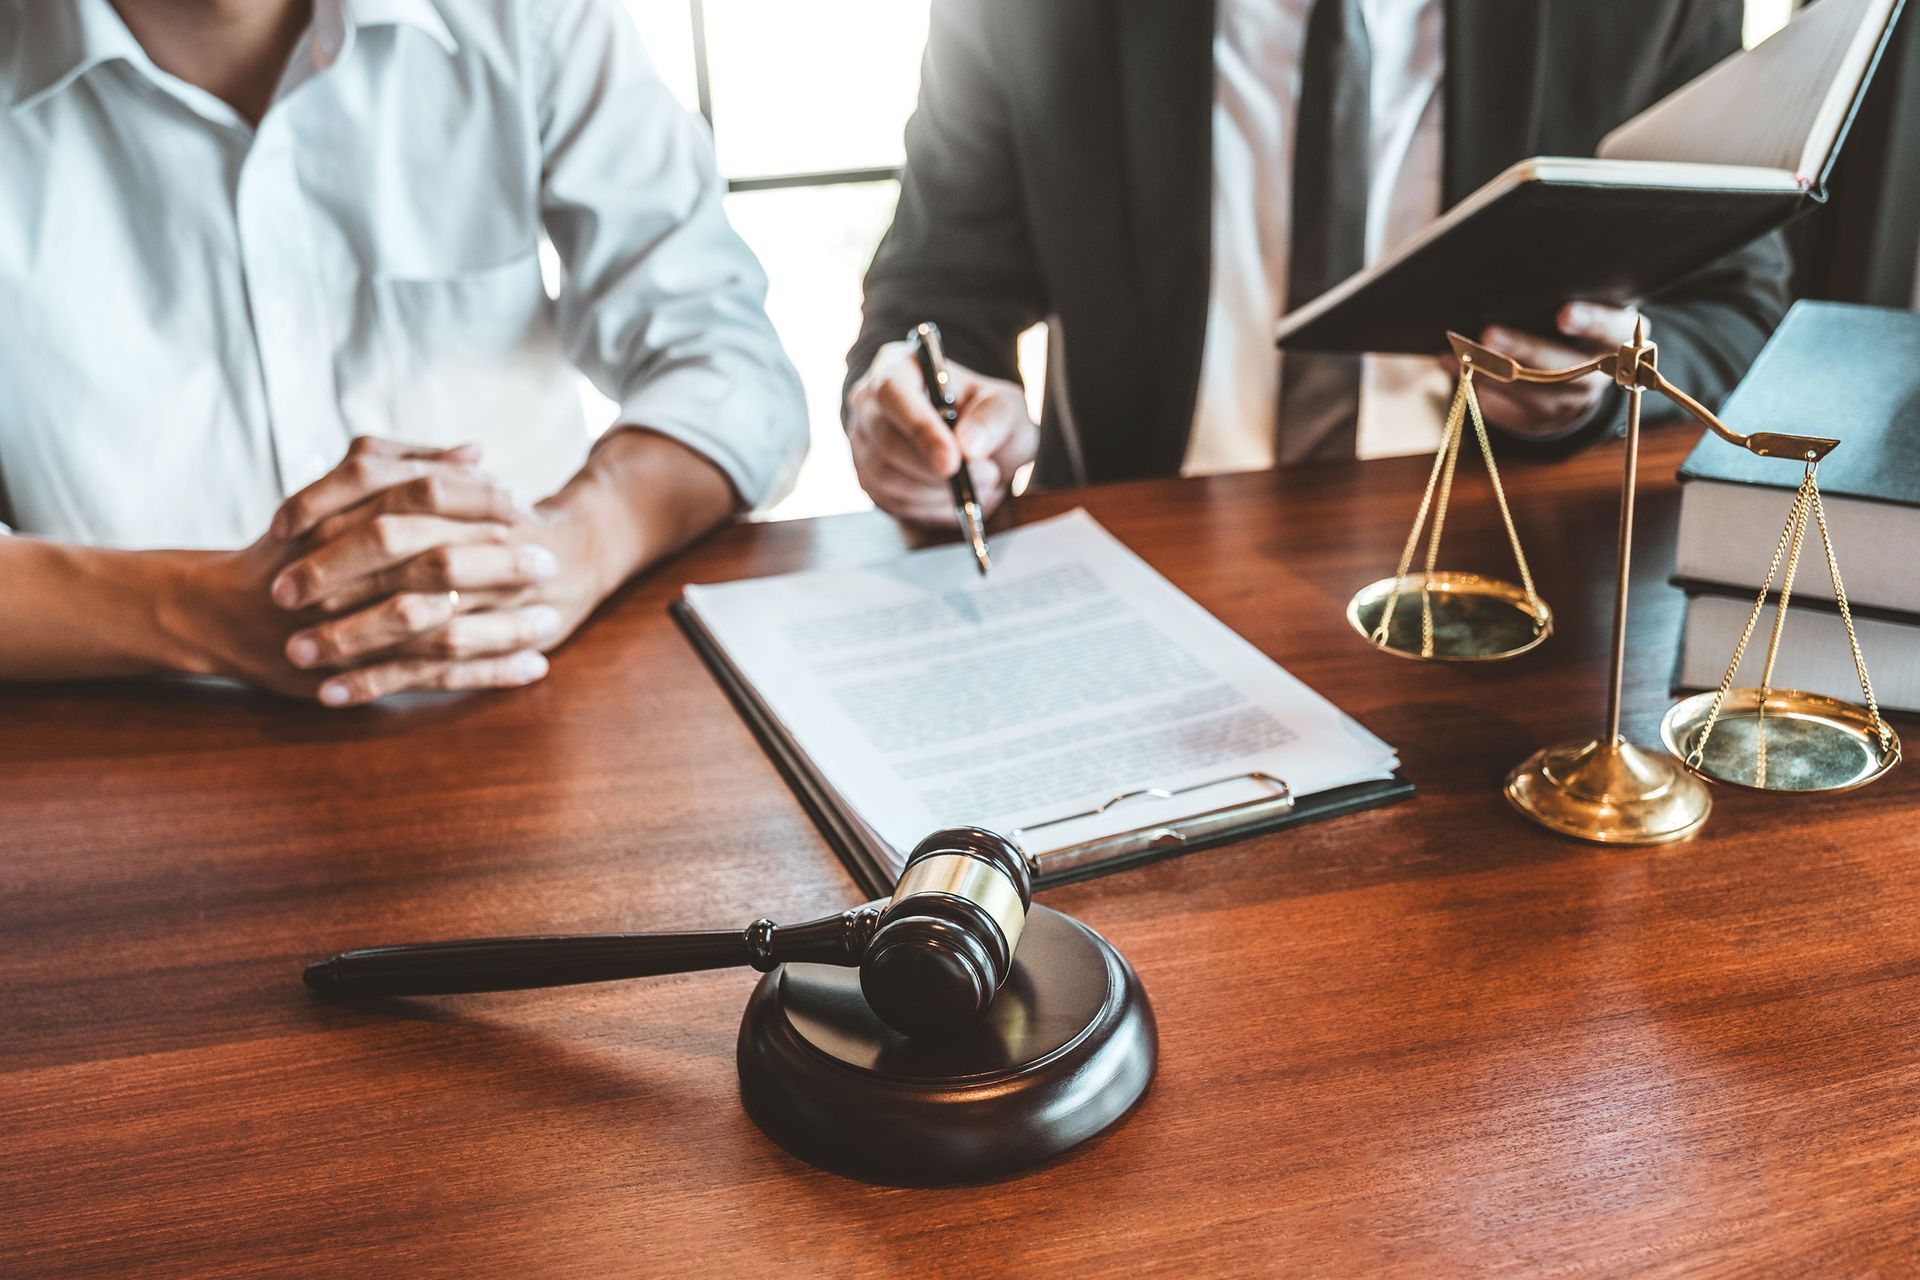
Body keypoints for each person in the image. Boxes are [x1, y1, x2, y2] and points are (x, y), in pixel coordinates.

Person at [0, 0, 806, 706]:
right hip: (124, 741)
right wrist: (193, 610)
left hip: (536, 694)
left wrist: (574, 543)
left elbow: (733, 368)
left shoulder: (529, 16)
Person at [844, 0, 1791, 527]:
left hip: (1506, 575)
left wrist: (1606, 381)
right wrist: (929, 414)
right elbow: (935, 293)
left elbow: (1734, 303)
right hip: (1140, 555)